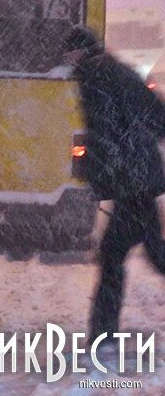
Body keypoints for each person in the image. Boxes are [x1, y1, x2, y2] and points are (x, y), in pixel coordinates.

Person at [65, 25, 165, 341]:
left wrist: (104, 173)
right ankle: (103, 330)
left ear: (79, 52)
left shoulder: (96, 76)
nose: (67, 60)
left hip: (132, 182)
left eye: (70, 53)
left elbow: (105, 133)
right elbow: (154, 116)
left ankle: (103, 332)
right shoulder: (110, 70)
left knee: (114, 255)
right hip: (138, 178)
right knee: (148, 252)